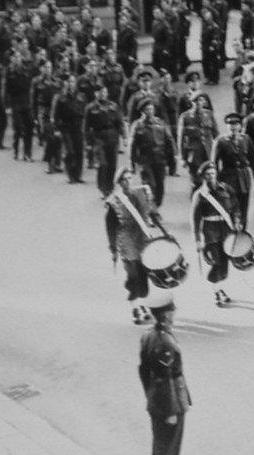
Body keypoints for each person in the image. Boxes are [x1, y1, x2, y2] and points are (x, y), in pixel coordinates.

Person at [138, 291, 197, 455]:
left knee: (163, 447)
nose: (174, 313)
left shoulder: (149, 335)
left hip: (157, 401)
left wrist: (150, 395)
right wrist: (170, 410)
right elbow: (166, 379)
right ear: (165, 315)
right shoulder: (163, 341)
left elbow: (143, 371)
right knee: (167, 449)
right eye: (171, 310)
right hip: (168, 404)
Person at [105, 168, 161, 324]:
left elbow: (153, 214)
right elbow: (110, 228)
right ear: (119, 182)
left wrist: (164, 231)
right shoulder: (114, 201)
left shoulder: (141, 193)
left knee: (144, 275)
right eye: (124, 180)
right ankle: (136, 308)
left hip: (143, 240)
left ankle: (142, 304)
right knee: (133, 276)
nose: (127, 182)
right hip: (127, 241)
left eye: (129, 178)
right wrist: (113, 249)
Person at [191, 162, 241, 307]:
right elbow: (195, 219)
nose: (211, 177)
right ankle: (217, 291)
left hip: (226, 230)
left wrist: (237, 221)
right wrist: (197, 240)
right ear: (202, 177)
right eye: (207, 174)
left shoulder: (226, 188)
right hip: (211, 233)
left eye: (213, 173)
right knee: (216, 261)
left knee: (225, 262)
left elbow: (236, 206)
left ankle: (220, 288)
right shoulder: (199, 195)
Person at [212, 113, 254, 223]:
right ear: (227, 126)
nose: (233, 127)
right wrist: (216, 182)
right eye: (230, 125)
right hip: (228, 178)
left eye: (236, 124)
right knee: (230, 206)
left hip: (244, 178)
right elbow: (214, 164)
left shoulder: (246, 139)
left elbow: (253, 161)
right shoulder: (220, 141)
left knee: (244, 207)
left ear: (240, 126)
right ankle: (230, 233)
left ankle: (243, 233)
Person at [129, 98, 175, 206]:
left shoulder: (160, 123)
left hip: (160, 159)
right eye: (147, 110)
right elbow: (132, 146)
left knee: (160, 186)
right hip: (145, 160)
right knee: (149, 185)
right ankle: (150, 211)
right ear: (142, 111)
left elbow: (169, 141)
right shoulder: (137, 125)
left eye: (151, 109)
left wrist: (172, 160)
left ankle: (156, 207)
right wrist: (132, 164)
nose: (150, 112)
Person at [84, 84, 126, 197]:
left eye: (105, 92)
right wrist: (88, 143)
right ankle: (102, 188)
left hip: (113, 137)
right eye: (100, 92)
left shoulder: (113, 106)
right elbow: (86, 127)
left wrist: (124, 136)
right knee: (102, 164)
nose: (103, 95)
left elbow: (120, 122)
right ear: (96, 94)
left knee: (112, 164)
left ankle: (109, 187)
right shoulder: (91, 108)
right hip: (98, 137)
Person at [176, 94, 218, 193]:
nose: (199, 103)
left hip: (208, 150)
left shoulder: (209, 114)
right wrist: (181, 157)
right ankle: (196, 197)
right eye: (196, 101)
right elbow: (180, 138)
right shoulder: (185, 116)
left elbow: (216, 133)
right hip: (194, 153)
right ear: (192, 103)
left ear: (204, 102)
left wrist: (218, 152)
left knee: (209, 174)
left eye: (201, 101)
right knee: (196, 177)